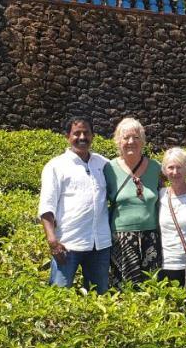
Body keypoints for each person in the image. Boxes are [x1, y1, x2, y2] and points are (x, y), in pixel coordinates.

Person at [38, 117, 112, 294]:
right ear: (67, 136)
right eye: (76, 133)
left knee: (99, 295)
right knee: (59, 295)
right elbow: (47, 206)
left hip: (99, 245)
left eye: (86, 133)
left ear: (93, 136)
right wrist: (52, 240)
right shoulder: (56, 166)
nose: (82, 137)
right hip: (68, 244)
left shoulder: (103, 164)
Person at [102, 117, 162, 287]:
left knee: (151, 288)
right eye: (125, 137)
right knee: (123, 289)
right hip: (120, 238)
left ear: (142, 141)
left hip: (151, 237)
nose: (130, 142)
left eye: (136, 137)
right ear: (118, 141)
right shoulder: (109, 169)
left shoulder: (156, 168)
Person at [158, 147, 186, 285]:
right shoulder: (160, 195)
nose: (175, 172)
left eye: (179, 167)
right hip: (165, 265)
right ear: (164, 170)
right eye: (170, 167)